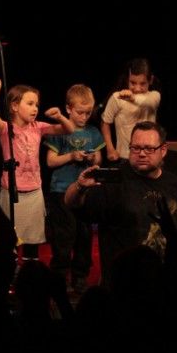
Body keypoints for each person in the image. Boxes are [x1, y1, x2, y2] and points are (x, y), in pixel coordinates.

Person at [65, 121, 177, 292]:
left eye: (149, 149)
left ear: (163, 150)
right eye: (136, 148)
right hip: (124, 286)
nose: (141, 153)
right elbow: (71, 203)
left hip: (167, 285)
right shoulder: (113, 182)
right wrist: (80, 186)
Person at [0, 80, 74, 264]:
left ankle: (30, 272)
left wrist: (60, 116)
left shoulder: (38, 127)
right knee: (10, 240)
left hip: (34, 192)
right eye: (30, 103)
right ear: (14, 106)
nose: (35, 109)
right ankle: (10, 273)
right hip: (12, 193)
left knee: (32, 241)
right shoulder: (6, 129)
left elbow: (69, 129)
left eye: (37, 105)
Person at [44, 84, 104, 293]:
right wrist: (71, 156)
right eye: (80, 112)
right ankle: (59, 276)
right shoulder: (59, 131)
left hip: (84, 192)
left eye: (88, 113)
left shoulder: (93, 132)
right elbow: (50, 161)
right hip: (61, 190)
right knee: (64, 235)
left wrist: (92, 157)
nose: (84, 117)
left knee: (84, 235)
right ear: (68, 109)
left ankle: (80, 276)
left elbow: (99, 159)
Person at [100, 58, 160, 165]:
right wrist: (110, 148)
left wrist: (132, 98)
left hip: (149, 156)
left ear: (150, 80)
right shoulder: (117, 97)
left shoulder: (154, 96)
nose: (137, 88)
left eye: (142, 84)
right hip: (125, 157)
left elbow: (149, 103)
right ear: (127, 79)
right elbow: (105, 122)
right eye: (133, 83)